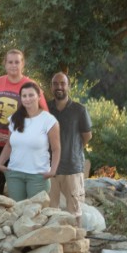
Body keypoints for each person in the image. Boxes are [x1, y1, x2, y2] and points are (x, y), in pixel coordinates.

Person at [0, 49, 47, 200]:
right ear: (4, 64)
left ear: (23, 64)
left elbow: (43, 115)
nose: (13, 65)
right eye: (10, 62)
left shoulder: (31, 85)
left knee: (18, 182)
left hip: (20, 145)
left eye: (17, 62)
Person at [0, 82, 60, 202]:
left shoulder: (49, 120)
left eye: (31, 95)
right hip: (14, 174)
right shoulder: (14, 118)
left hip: (38, 176)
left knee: (35, 215)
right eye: (24, 96)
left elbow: (56, 148)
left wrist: (53, 171)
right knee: (16, 211)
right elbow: (9, 144)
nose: (27, 99)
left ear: (39, 97)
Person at [49, 73, 92, 216]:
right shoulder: (45, 109)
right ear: (51, 87)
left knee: (75, 212)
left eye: (62, 83)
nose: (59, 87)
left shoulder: (79, 110)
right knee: (49, 212)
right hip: (49, 168)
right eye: (55, 84)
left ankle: (76, 238)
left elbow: (87, 136)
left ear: (69, 86)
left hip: (73, 168)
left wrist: (73, 150)